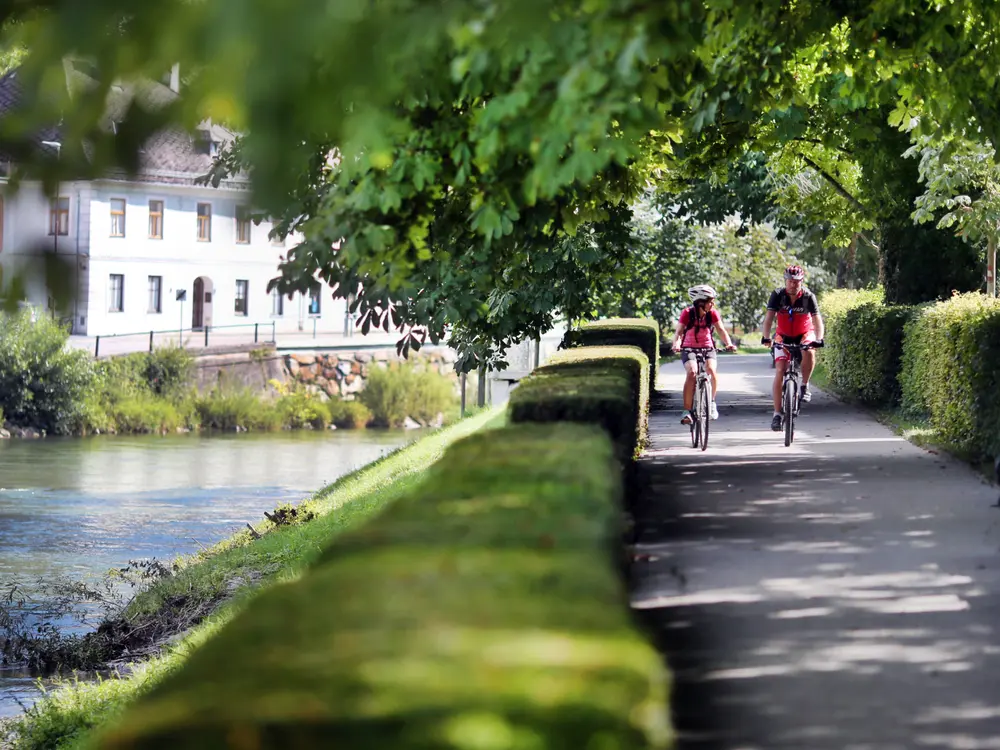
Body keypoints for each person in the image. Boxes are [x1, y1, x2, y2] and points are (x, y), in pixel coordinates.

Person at [760, 265, 825, 431]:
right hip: (783, 335)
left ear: (801, 281)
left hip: (804, 333)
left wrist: (819, 338)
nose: (793, 284)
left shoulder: (808, 296)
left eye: (796, 281)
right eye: (790, 281)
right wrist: (766, 337)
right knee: (780, 369)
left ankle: (805, 384)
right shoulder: (777, 295)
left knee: (809, 350)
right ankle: (776, 414)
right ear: (785, 281)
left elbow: (817, 321)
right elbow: (768, 319)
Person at [672, 284, 737, 425]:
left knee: (711, 370)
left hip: (708, 347)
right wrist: (676, 344)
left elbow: (721, 330)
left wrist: (728, 343)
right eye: (710, 301)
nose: (712, 304)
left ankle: (711, 402)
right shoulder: (687, 313)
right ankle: (687, 411)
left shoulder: (713, 313)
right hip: (688, 348)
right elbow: (679, 332)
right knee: (692, 373)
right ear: (700, 302)